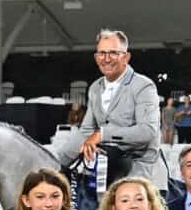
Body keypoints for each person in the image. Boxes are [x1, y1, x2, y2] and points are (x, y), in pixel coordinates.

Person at [60, 30, 161, 181]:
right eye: (102, 53)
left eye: (113, 53)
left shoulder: (144, 86)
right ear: (96, 58)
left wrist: (103, 134)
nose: (106, 59)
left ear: (126, 57)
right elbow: (86, 131)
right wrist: (57, 164)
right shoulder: (95, 87)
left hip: (140, 172)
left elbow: (147, 131)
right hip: (106, 168)